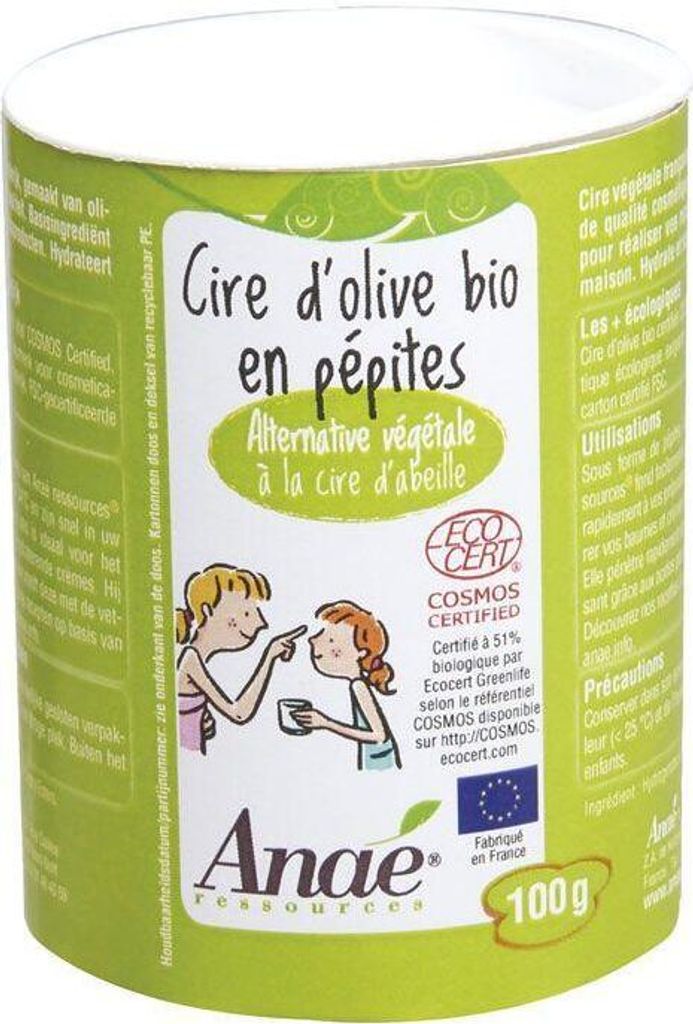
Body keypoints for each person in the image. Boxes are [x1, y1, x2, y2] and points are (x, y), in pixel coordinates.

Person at [175, 562, 305, 753]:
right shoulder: (190, 659)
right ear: (208, 611)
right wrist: (269, 657)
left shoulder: (194, 658)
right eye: (246, 613)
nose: (260, 623)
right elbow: (239, 714)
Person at [293, 600, 401, 770]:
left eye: (331, 641)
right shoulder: (357, 684)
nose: (315, 643)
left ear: (360, 653)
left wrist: (326, 723)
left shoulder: (359, 686)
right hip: (374, 759)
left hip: (379, 762)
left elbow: (379, 735)